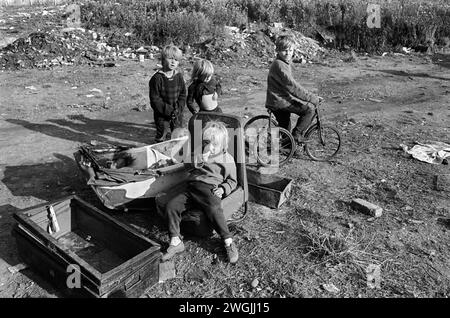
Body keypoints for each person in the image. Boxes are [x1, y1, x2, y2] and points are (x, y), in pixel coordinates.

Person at [162, 121, 239, 264]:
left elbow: (233, 181)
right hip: (192, 189)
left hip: (210, 190)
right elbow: (187, 165)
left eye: (215, 144)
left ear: (223, 145)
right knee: (171, 206)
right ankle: (175, 241)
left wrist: (223, 189)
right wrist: (199, 158)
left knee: (215, 209)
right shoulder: (199, 152)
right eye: (207, 142)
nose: (211, 147)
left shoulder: (227, 159)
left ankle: (228, 241)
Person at [265, 35, 322, 143]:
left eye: (290, 50)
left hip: (276, 100)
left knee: (285, 128)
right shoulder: (280, 65)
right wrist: (311, 98)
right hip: (280, 101)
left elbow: (290, 61)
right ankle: (296, 136)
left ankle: (288, 147)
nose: (288, 53)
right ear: (277, 50)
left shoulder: (281, 62)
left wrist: (299, 60)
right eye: (284, 50)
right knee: (309, 110)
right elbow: (293, 87)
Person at [149, 45, 187, 143]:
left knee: (178, 136)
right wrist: (169, 111)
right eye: (170, 58)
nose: (173, 62)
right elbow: (155, 100)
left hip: (177, 113)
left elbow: (183, 94)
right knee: (162, 136)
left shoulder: (178, 76)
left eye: (176, 59)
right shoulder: (157, 79)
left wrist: (179, 109)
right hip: (162, 115)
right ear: (163, 60)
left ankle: (176, 155)